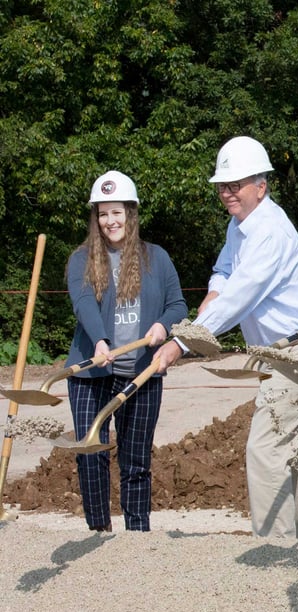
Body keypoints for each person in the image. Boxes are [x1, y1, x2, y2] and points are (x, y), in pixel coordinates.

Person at [154, 136, 298, 540]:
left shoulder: (268, 231)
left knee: (266, 451)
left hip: (296, 353)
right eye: (222, 186)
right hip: (277, 356)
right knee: (296, 453)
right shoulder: (241, 225)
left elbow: (240, 295)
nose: (227, 193)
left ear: (260, 186)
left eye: (236, 185)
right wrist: (214, 288)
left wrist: (182, 341)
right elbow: (225, 270)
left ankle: (277, 551)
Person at [65, 170, 188, 532]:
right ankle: (98, 533)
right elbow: (84, 301)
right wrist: (101, 341)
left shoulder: (157, 258)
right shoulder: (81, 259)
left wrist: (163, 326)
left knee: (135, 462)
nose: (109, 221)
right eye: (102, 214)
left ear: (130, 214)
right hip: (92, 374)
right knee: (91, 458)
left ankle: (137, 539)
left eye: (116, 212)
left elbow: (178, 305)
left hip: (142, 374)